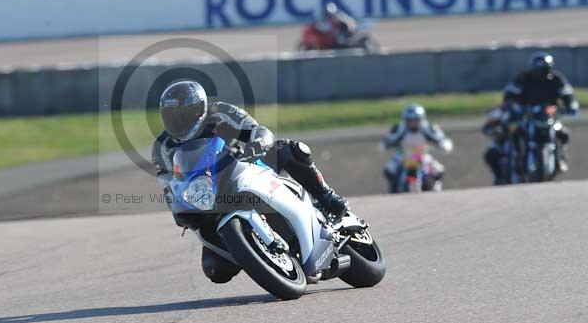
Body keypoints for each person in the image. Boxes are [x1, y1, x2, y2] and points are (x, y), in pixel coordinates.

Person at [151, 80, 350, 283]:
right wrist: (178, 206)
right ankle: (261, 253)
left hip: (247, 166)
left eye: (184, 113)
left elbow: (256, 130)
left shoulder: (220, 113)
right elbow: (169, 185)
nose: (179, 120)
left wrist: (257, 144)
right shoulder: (162, 147)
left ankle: (326, 196)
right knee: (216, 270)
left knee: (290, 149)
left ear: (199, 108)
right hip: (209, 196)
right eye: (172, 115)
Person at [502, 52, 579, 172]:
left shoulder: (556, 78)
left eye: (545, 70)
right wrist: (515, 106)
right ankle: (517, 160)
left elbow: (567, 94)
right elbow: (510, 95)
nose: (542, 73)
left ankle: (561, 156)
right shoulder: (523, 78)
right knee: (516, 133)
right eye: (539, 70)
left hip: (550, 115)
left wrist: (571, 105)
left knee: (563, 133)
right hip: (528, 115)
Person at [380, 104, 452, 193]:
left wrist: (444, 145)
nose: (413, 123)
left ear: (421, 119)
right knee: (389, 170)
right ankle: (393, 188)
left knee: (438, 170)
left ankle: (436, 186)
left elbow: (440, 138)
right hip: (403, 155)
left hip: (422, 155)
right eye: (410, 120)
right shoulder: (399, 128)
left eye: (416, 120)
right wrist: (385, 144)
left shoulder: (428, 127)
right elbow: (390, 138)